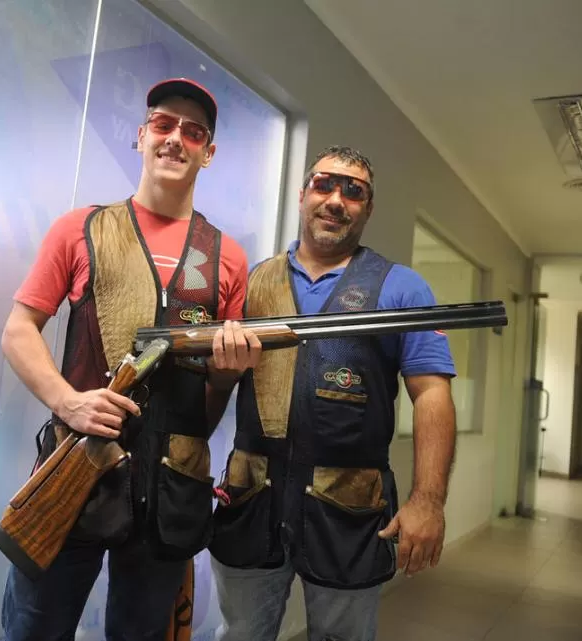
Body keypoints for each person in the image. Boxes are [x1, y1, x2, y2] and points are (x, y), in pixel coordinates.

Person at [0, 77, 261, 641]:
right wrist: (67, 401)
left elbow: (213, 393)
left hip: (174, 488)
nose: (175, 139)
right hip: (80, 465)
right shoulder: (81, 228)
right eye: (163, 125)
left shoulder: (229, 257)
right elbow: (19, 330)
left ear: (208, 153)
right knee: (33, 629)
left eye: (193, 132)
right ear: (141, 136)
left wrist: (229, 372)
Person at [208, 145, 458, 641]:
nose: (336, 199)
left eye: (353, 191)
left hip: (349, 511)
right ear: (303, 196)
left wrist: (428, 501)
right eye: (324, 185)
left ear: (367, 207)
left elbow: (431, 396)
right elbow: (217, 385)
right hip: (251, 500)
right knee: (239, 634)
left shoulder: (402, 288)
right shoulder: (253, 284)